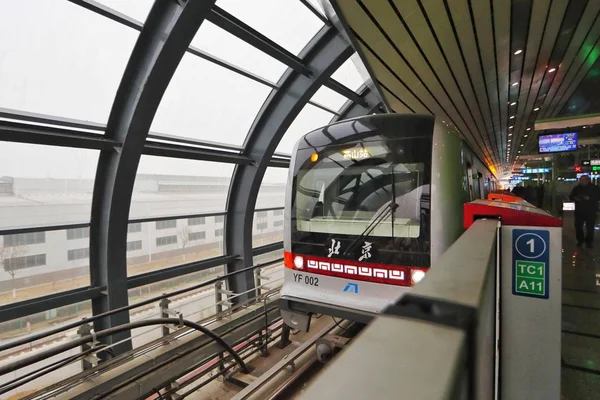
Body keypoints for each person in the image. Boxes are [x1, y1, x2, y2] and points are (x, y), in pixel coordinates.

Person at [569, 175, 600, 248]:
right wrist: (576, 198)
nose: (582, 181)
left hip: (591, 210)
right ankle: (580, 240)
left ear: (588, 180)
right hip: (579, 210)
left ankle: (589, 241)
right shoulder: (577, 188)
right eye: (581, 180)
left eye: (584, 180)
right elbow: (571, 196)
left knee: (590, 227)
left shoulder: (595, 188)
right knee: (578, 226)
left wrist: (589, 198)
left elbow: (598, 197)